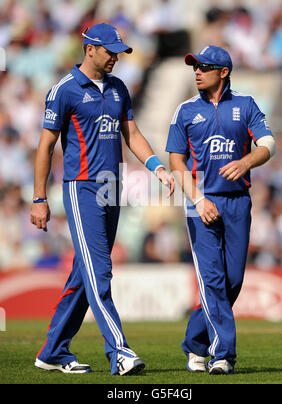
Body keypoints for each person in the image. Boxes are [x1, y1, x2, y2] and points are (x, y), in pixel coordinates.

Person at [31, 22, 174, 376]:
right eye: (110, 51)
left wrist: (157, 167)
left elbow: (132, 133)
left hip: (113, 187)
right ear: (89, 48)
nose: (116, 58)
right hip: (81, 188)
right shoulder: (64, 90)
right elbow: (46, 147)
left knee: (85, 275)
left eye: (120, 52)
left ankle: (52, 352)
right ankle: (119, 351)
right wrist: (39, 198)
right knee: (100, 272)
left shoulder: (118, 88)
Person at [166, 45, 275, 375]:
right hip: (201, 203)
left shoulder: (246, 104)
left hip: (238, 203)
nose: (196, 71)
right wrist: (198, 199)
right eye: (194, 66)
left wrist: (245, 162)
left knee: (232, 280)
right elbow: (176, 160)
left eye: (203, 66)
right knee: (212, 280)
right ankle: (223, 355)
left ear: (223, 72)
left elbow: (268, 144)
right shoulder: (184, 110)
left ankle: (195, 343)